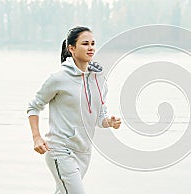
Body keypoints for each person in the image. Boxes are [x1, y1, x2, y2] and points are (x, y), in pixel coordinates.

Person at [27, 26, 121, 194]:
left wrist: (109, 122)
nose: (91, 47)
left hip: (84, 152)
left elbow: (99, 117)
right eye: (85, 43)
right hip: (60, 150)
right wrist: (36, 137)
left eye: (93, 43)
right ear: (71, 48)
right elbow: (34, 106)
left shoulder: (100, 81)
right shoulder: (59, 79)